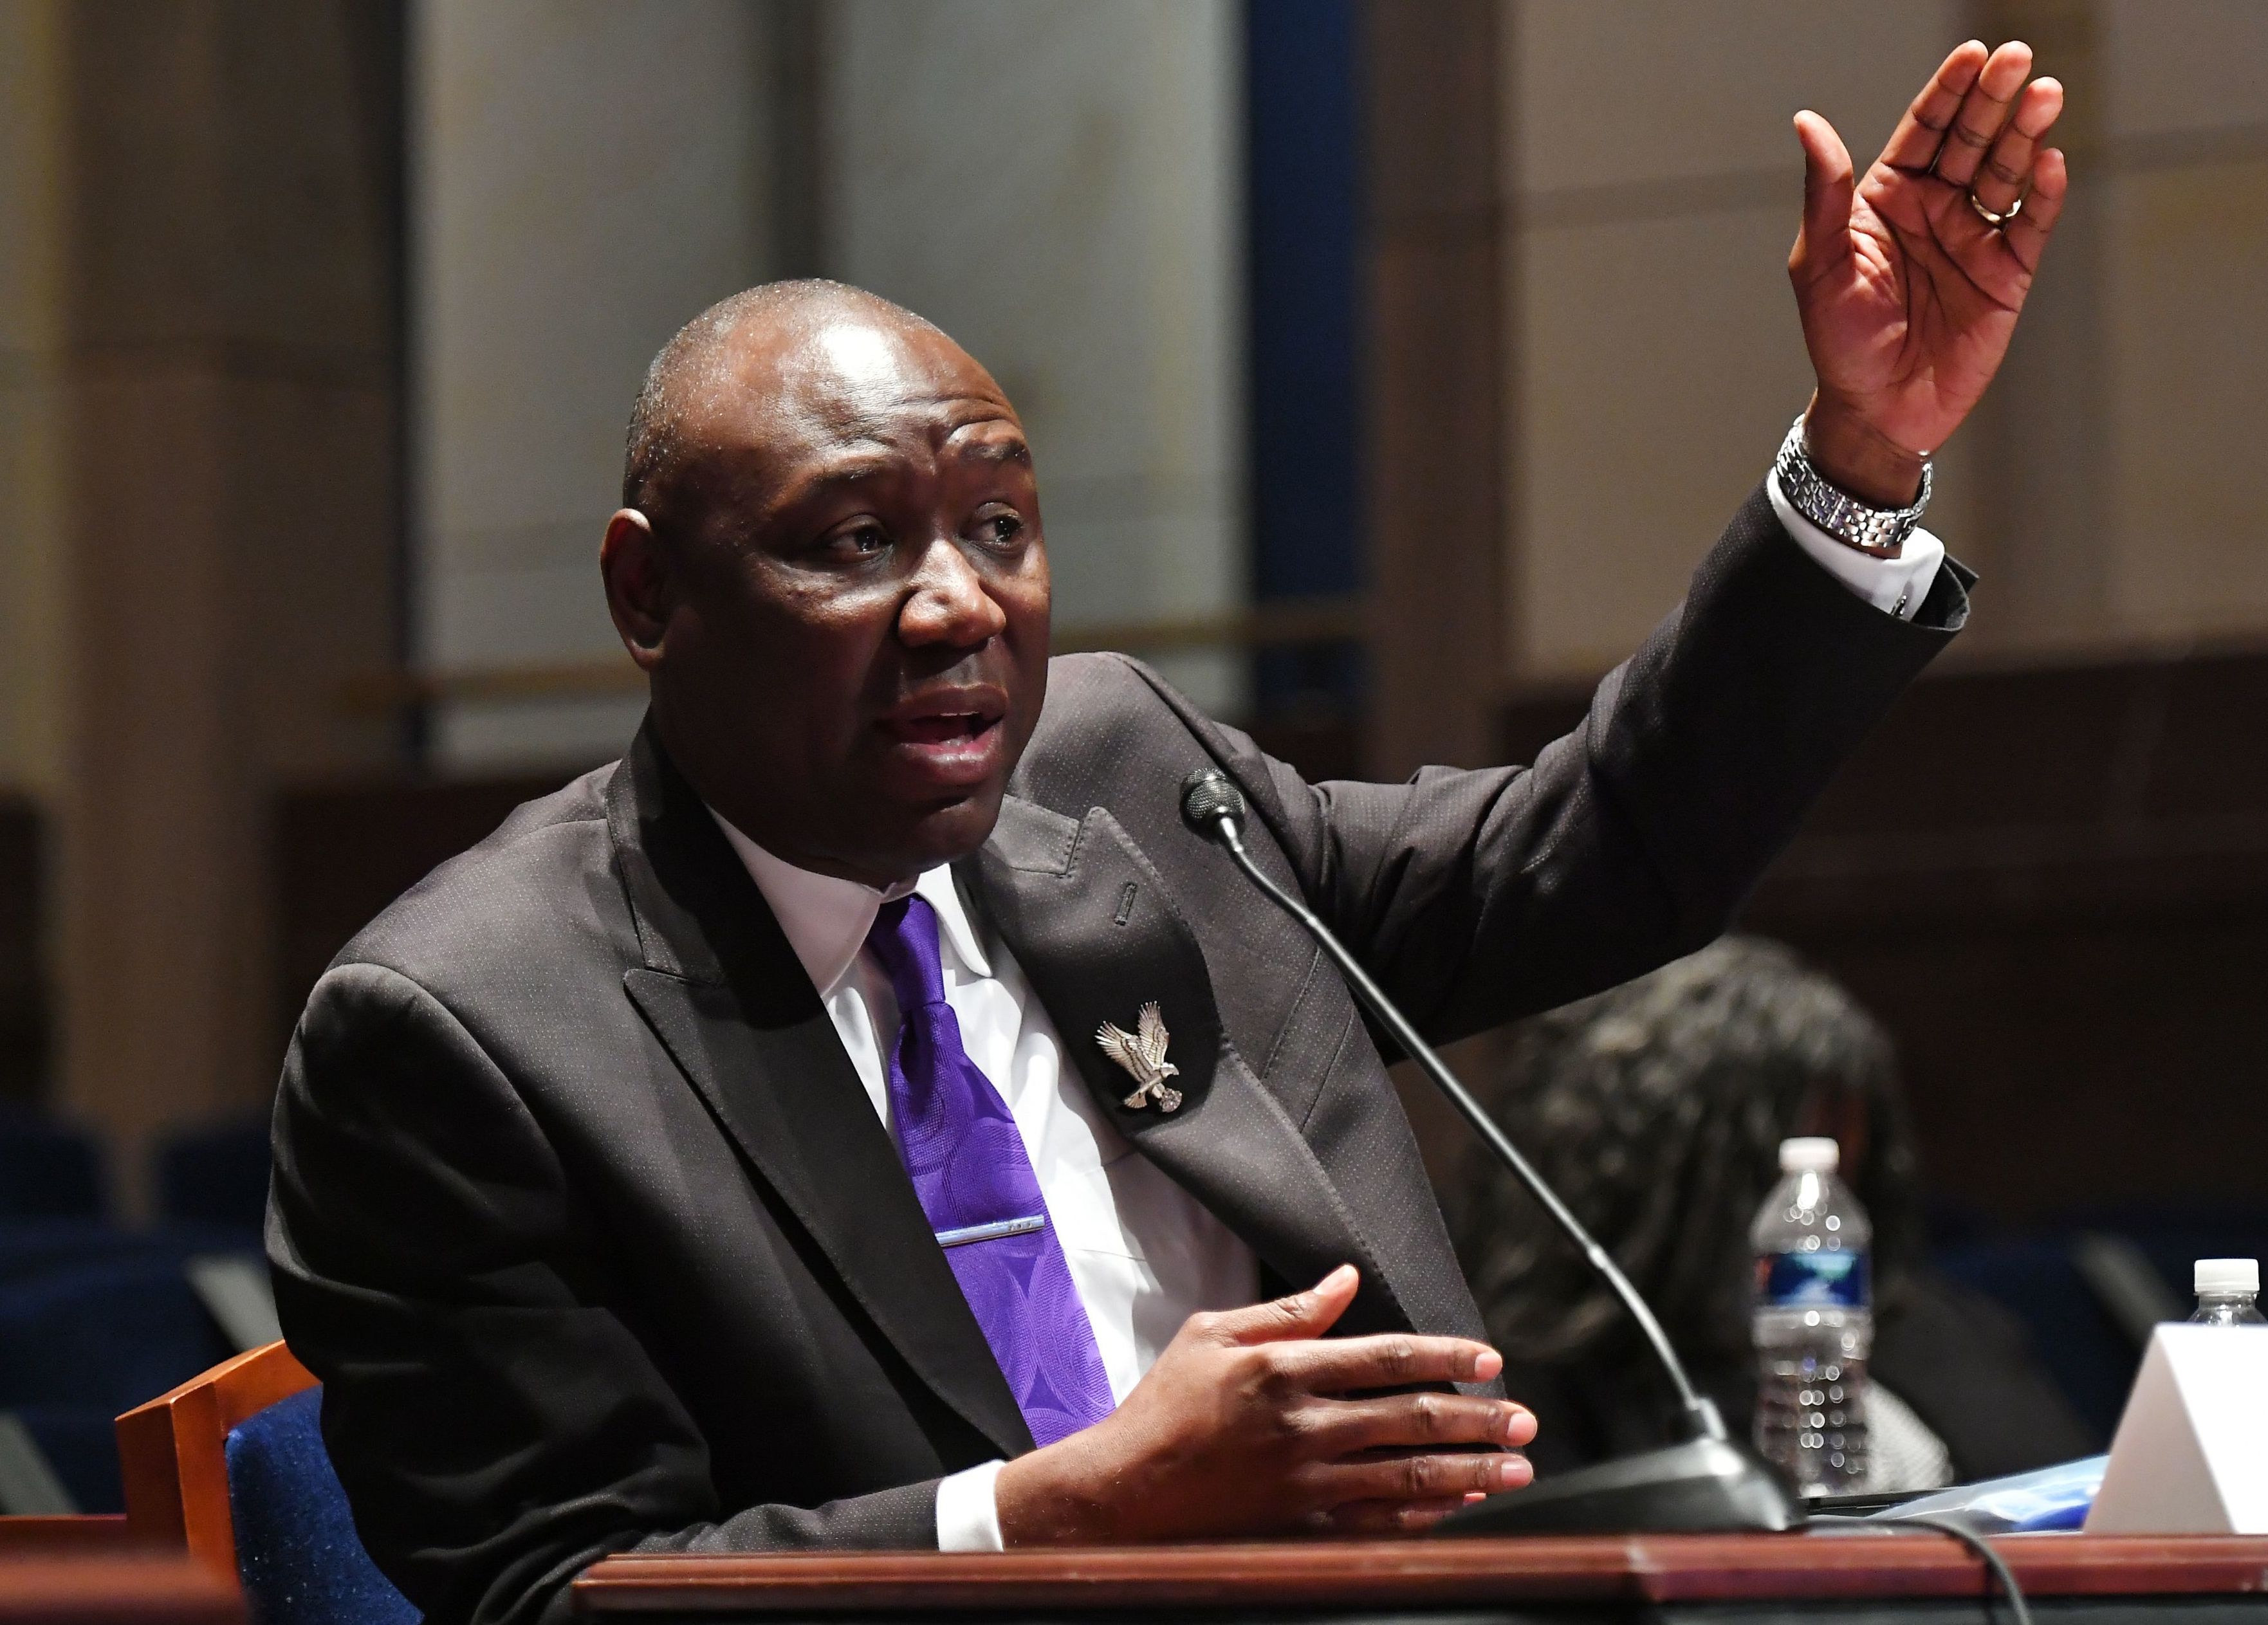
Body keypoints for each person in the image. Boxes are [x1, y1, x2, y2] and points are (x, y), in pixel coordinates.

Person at [266, 39, 2069, 1625]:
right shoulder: (465, 1030)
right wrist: (1069, 1509)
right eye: (851, 538)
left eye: (997, 525)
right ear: (648, 593)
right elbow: (549, 1593)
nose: (955, 605)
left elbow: (1595, 845)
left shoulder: (1127, 777)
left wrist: (1858, 458)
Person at [1453, 937, 2096, 1491]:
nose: (1837, 1161)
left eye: (1850, 1122)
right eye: (1796, 1125)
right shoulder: (1532, 1382)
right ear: (1671, 1159)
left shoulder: (1928, 1325)